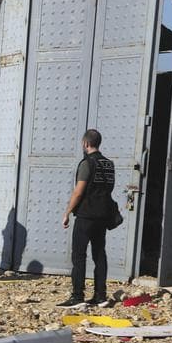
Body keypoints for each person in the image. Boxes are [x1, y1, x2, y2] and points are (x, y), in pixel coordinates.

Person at [58, 128, 117, 308]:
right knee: (99, 254)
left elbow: (79, 191)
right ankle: (101, 296)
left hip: (86, 215)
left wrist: (67, 212)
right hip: (103, 215)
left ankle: (77, 296)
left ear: (85, 143)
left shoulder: (86, 163)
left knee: (79, 255)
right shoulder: (109, 164)